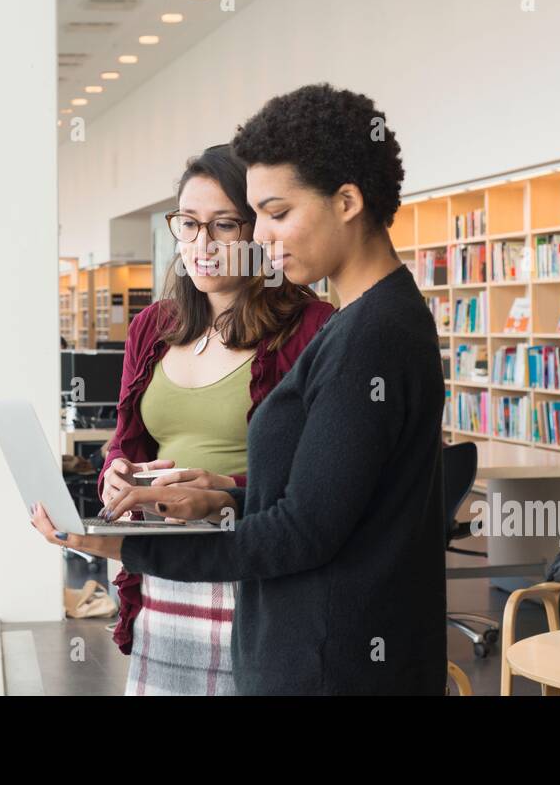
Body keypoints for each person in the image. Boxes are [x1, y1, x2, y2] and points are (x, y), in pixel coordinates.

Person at [33, 83, 446, 694]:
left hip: (332, 660)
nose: (265, 240)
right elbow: (320, 493)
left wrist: (122, 544)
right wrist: (219, 490)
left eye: (275, 215)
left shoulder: (367, 337)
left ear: (348, 201)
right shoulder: (372, 322)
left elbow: (301, 531)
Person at [96, 144, 332, 695]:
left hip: (254, 568)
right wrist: (116, 471)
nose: (201, 246)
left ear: (258, 231)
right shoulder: (152, 326)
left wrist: (223, 493)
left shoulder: (312, 326)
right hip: (165, 570)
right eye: (188, 224)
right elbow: (127, 439)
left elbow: (319, 478)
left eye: (223, 226)